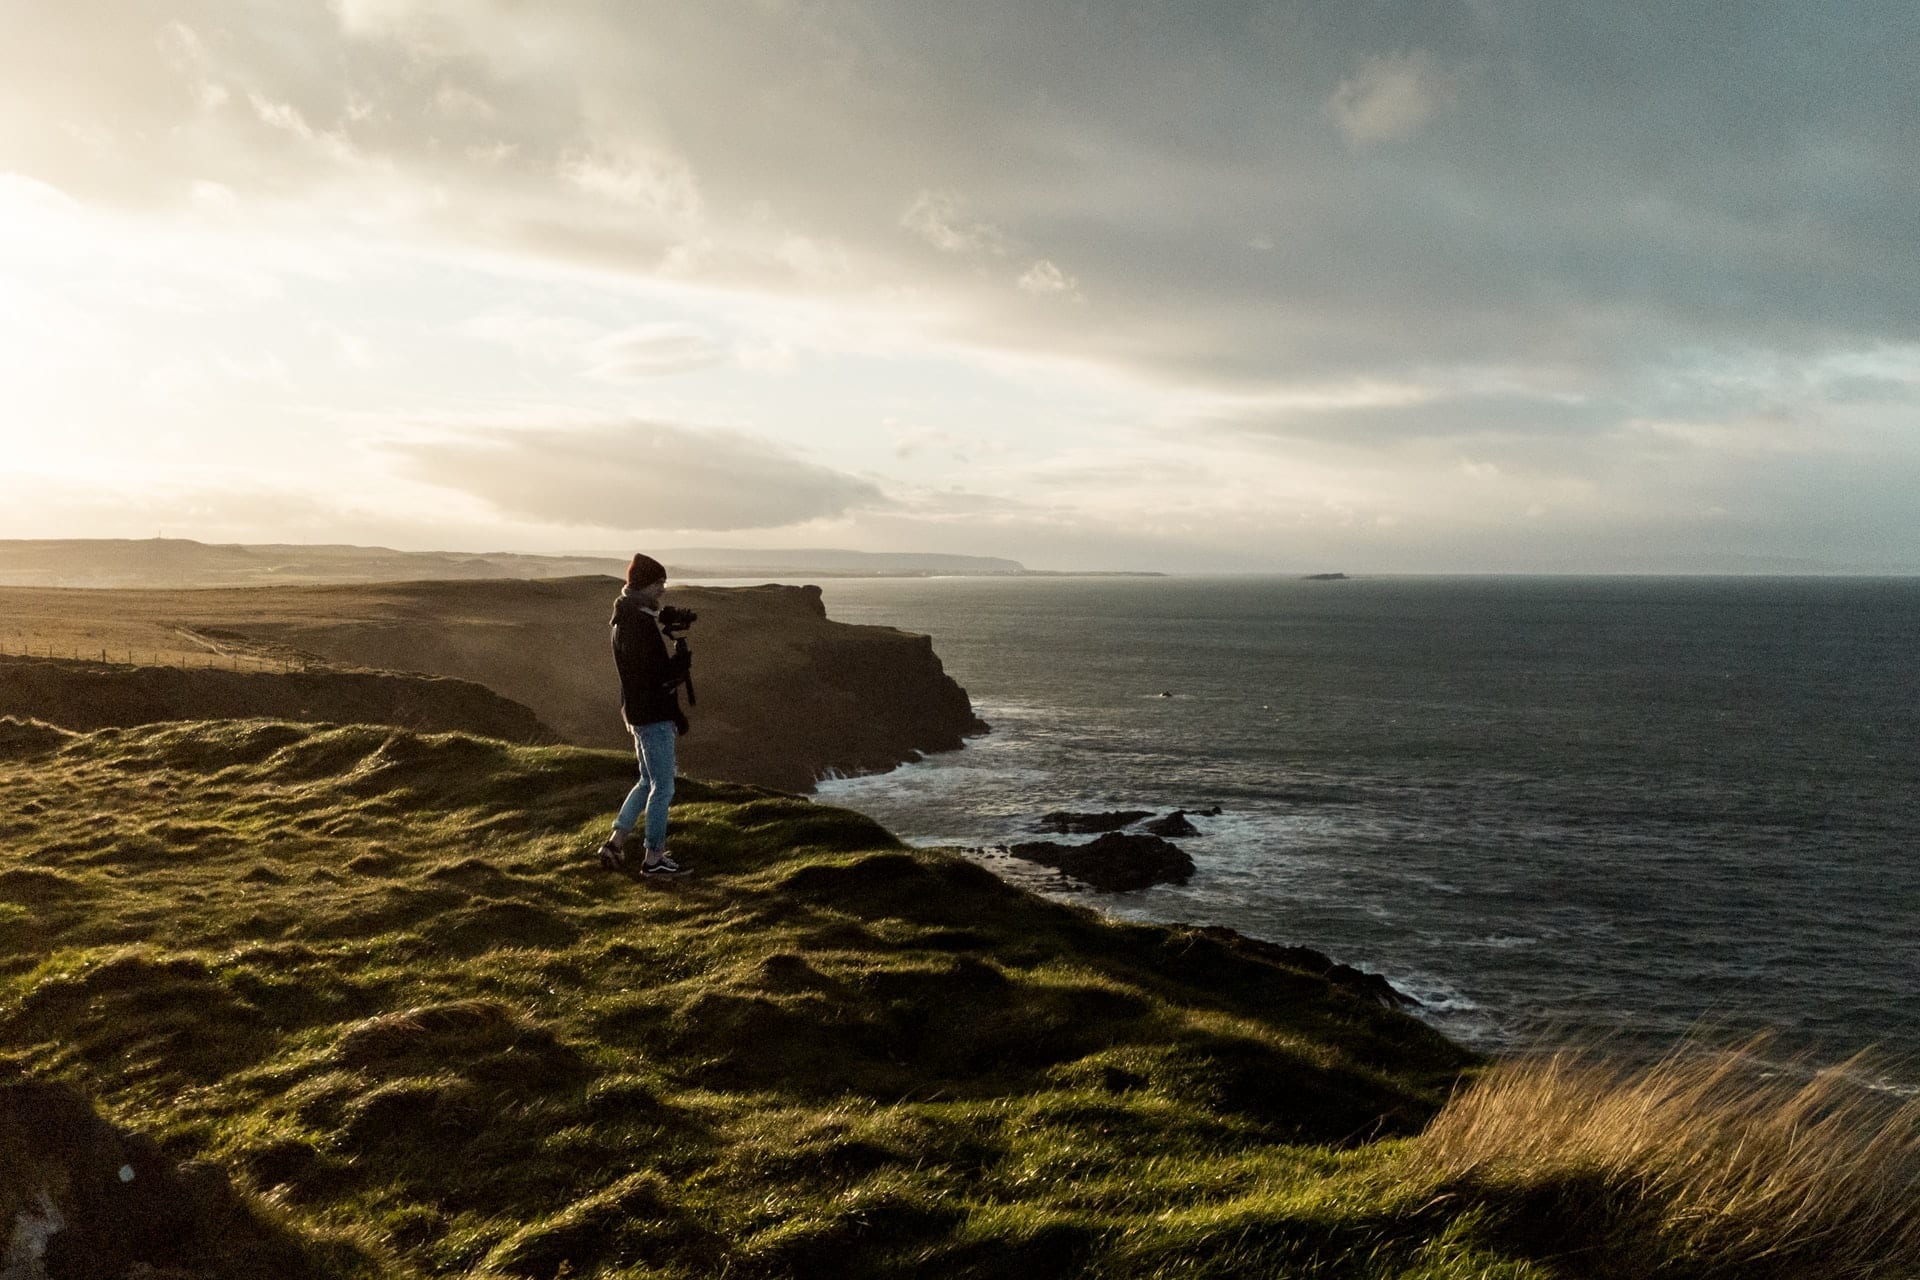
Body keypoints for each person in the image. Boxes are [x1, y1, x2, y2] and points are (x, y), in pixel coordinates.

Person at [598, 553, 691, 875]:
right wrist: (679, 665)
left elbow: (642, 674)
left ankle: (615, 842)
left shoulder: (622, 618)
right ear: (644, 585)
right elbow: (655, 676)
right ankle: (653, 858)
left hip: (637, 712)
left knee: (646, 780)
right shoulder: (639, 624)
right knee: (663, 787)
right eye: (658, 583)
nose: (663, 589)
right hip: (652, 715)